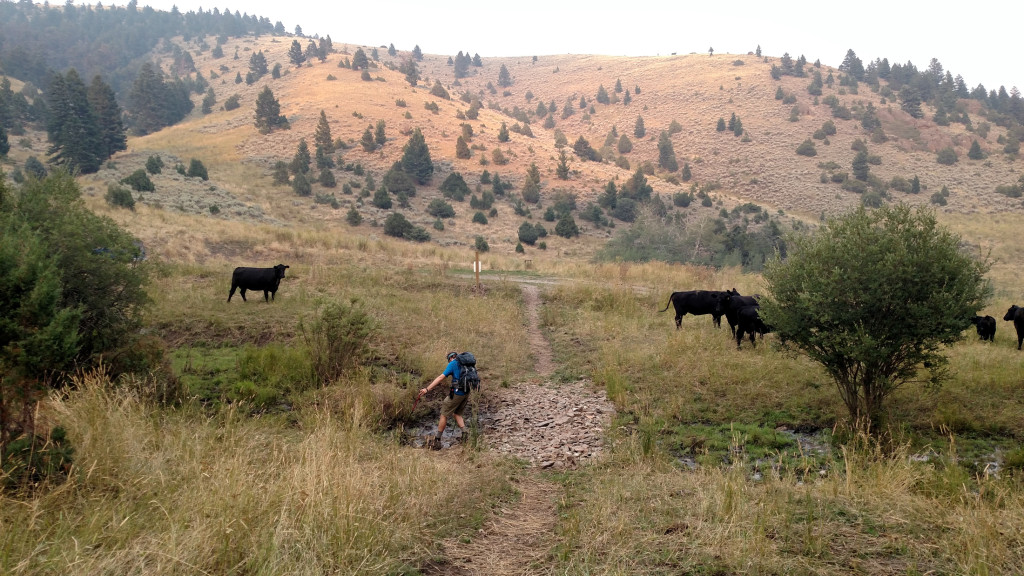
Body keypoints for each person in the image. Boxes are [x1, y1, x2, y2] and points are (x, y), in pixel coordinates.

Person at [419, 351, 469, 449]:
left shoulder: (453, 363)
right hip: (466, 392)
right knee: (457, 413)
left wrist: (427, 389)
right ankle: (465, 434)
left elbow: (441, 377)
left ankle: (437, 440)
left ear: (450, 358)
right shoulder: (465, 363)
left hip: (457, 393)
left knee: (444, 414)